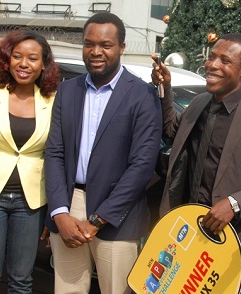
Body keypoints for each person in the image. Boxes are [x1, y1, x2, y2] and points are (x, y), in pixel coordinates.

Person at [151, 33, 241, 294]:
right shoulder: (201, 102)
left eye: (225, 60)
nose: (213, 65)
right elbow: (172, 132)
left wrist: (234, 204)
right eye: (212, 56)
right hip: (191, 235)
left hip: (235, 243)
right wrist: (164, 89)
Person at [44, 12, 162, 294]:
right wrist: (59, 211)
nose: (96, 52)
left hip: (118, 214)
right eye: (89, 43)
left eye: (106, 45)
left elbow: (142, 166)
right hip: (69, 208)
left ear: (121, 47)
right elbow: (55, 153)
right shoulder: (67, 90)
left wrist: (99, 219)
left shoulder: (143, 94)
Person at [0, 29, 59, 293]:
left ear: (43, 64)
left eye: (32, 58)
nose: (24, 64)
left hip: (31, 202)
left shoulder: (52, 99)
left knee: (22, 281)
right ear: (7, 60)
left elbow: (55, 154)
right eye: (17, 56)